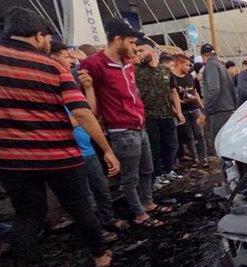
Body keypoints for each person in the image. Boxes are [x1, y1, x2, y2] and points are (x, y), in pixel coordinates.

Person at [0, 7, 118, 267]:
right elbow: (81, 112)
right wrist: (106, 148)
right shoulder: (53, 67)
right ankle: (101, 256)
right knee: (81, 206)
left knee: (28, 213)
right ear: (37, 35)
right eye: (47, 37)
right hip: (59, 154)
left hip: (10, 158)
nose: (48, 43)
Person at [81, 20, 171, 228]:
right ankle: (139, 213)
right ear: (117, 39)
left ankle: (147, 202)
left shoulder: (128, 64)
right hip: (121, 129)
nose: (134, 47)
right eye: (131, 42)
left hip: (139, 125)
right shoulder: (94, 65)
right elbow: (87, 102)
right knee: (130, 177)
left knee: (147, 169)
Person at [49, 41, 129, 236]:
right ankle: (95, 230)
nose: (71, 60)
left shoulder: (69, 84)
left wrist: (89, 88)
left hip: (88, 148)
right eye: (67, 56)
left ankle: (107, 218)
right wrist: (81, 118)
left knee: (100, 187)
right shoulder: (49, 87)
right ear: (54, 58)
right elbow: (76, 118)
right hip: (70, 151)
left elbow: (89, 111)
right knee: (84, 194)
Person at [135, 42, 185, 189]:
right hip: (149, 116)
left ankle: (168, 170)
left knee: (169, 145)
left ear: (151, 51)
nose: (139, 54)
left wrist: (179, 112)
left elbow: (173, 92)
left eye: (141, 50)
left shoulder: (165, 70)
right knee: (154, 147)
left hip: (167, 114)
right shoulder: (138, 71)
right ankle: (157, 175)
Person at [200, 43, 237, 157]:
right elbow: (233, 91)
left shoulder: (210, 65)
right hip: (229, 111)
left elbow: (214, 90)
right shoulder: (221, 66)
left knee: (222, 149)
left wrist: (205, 112)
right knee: (230, 148)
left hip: (219, 114)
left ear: (203, 56)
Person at [173, 53, 208, 167]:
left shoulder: (190, 77)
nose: (189, 67)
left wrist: (201, 107)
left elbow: (195, 92)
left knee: (200, 134)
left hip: (194, 108)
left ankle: (204, 158)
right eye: (187, 65)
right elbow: (172, 95)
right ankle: (195, 159)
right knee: (189, 136)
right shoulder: (173, 78)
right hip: (183, 110)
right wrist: (181, 102)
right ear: (179, 64)